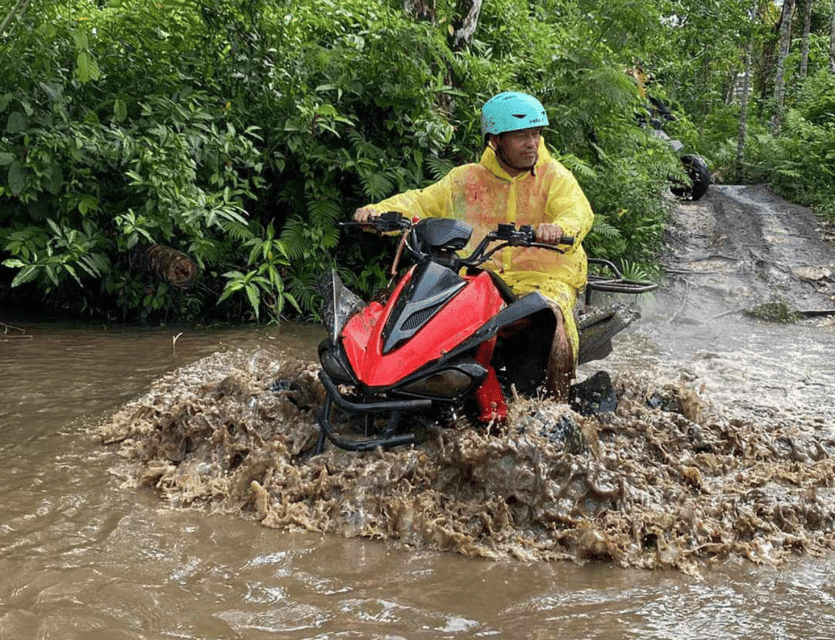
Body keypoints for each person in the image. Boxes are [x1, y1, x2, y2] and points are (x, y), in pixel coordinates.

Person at [353, 91, 594, 401]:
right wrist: (379, 212)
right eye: (522, 136)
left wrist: (558, 229)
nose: (532, 143)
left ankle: (549, 405)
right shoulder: (465, 179)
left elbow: (577, 212)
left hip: (545, 277)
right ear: (495, 140)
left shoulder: (555, 177)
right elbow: (422, 201)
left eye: (536, 134)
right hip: (483, 275)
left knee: (548, 314)